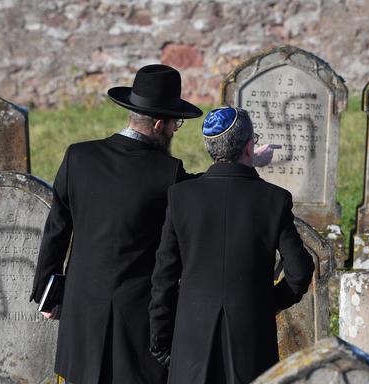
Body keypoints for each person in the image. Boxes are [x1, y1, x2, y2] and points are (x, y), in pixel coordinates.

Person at [30, 65, 278, 384]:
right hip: (137, 327)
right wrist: (248, 160)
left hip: (81, 318)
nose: (175, 130)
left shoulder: (79, 157)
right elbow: (208, 189)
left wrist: (47, 292)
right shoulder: (167, 173)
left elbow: (57, 227)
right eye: (175, 123)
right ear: (159, 124)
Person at [148, 107, 315, 384]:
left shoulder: (181, 197)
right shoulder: (273, 199)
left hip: (191, 341)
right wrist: (269, 302)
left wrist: (159, 339)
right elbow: (299, 270)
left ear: (210, 149)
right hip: (252, 339)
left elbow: (163, 277)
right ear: (249, 147)